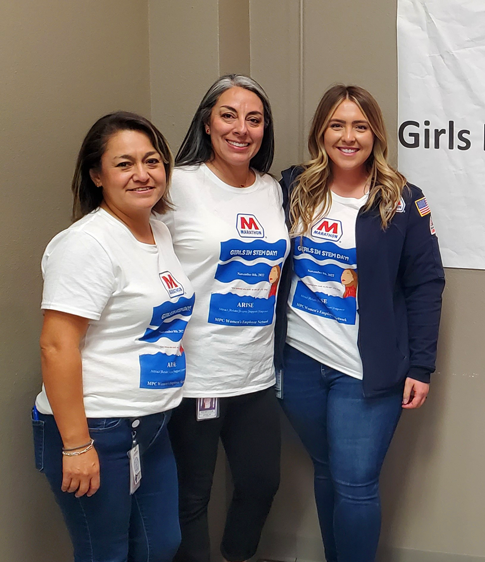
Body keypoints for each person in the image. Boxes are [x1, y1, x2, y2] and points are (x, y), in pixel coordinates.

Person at [273, 84, 445, 562]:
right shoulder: (292, 188)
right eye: (337, 125)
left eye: (360, 126)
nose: (348, 137)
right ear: (320, 133)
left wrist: (422, 366)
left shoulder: (402, 200)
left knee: (355, 482)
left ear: (376, 134)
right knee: (327, 468)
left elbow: (426, 284)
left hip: (365, 371)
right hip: (301, 362)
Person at [33, 112, 193, 562]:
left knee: (160, 545)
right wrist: (78, 444)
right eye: (124, 164)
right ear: (97, 176)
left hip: (152, 425)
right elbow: (56, 344)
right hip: (99, 428)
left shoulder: (157, 230)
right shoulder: (87, 244)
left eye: (152, 161)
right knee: (106, 554)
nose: (143, 174)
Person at [158, 74, 288, 562]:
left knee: (261, 484)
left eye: (254, 119)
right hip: (196, 375)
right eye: (228, 115)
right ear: (207, 124)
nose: (242, 128)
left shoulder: (272, 190)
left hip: (254, 374)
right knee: (191, 497)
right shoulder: (178, 183)